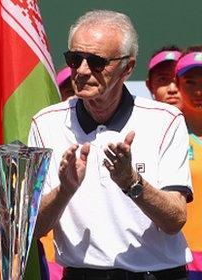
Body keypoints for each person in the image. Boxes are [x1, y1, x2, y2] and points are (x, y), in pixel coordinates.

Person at [30, 10, 191, 280]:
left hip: (157, 274)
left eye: (96, 61)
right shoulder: (45, 123)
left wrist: (131, 182)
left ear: (127, 68)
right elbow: (33, 229)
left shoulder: (165, 120)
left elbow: (174, 220)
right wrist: (64, 190)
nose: (81, 70)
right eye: (74, 59)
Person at [174, 46, 202, 279]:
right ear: (177, 84)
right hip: (182, 256)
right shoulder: (167, 131)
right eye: (190, 82)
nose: (199, 90)